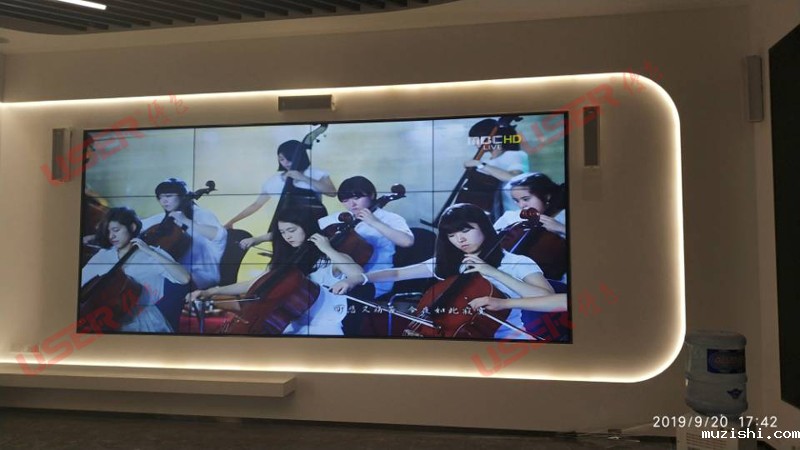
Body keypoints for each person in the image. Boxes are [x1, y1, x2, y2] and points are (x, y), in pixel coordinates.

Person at [353, 203, 564, 340]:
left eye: (465, 230)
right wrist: (359, 278)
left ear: (483, 227)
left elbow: (548, 298)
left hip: (508, 342)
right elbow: (397, 274)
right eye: (452, 235)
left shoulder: (517, 262)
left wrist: (494, 272)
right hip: (458, 339)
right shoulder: (452, 262)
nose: (460, 239)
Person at [187, 208, 362, 336]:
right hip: (290, 325)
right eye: (283, 232)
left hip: (325, 327)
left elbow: (357, 275)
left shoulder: (330, 257)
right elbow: (254, 284)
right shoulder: (286, 258)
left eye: (292, 230)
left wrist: (327, 248)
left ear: (307, 227)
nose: (287, 236)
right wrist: (211, 291)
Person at [81, 207, 190, 333]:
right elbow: (82, 283)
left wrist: (151, 251)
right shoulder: (104, 254)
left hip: (143, 319)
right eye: (108, 232)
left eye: (116, 230)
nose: (111, 236)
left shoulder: (152, 254)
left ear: (132, 227)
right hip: (105, 319)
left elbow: (184, 278)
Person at [227, 138, 337, 247]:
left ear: (300, 156)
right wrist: (232, 221)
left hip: (312, 226)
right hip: (285, 231)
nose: (286, 163)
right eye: (282, 159)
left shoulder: (316, 173)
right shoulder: (273, 181)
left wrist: (303, 178)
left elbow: (332, 192)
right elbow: (256, 205)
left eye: (289, 159)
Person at [318, 176, 414, 298]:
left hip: (374, 281)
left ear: (372, 195)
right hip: (339, 277)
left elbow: (407, 241)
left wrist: (374, 222)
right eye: (345, 200)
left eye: (357, 198)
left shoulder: (390, 218)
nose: (352, 204)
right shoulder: (343, 217)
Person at [140, 178, 227, 290]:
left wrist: (185, 220)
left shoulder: (202, 214)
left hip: (201, 275)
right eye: (160, 197)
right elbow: (140, 225)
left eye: (168, 196)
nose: (164, 201)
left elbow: (219, 235)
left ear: (182, 196)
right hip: (174, 274)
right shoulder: (165, 217)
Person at [462, 118, 529, 214]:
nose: (475, 143)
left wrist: (479, 165)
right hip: (496, 213)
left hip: (513, 212)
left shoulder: (515, 155)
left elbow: (515, 178)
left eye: (477, 138)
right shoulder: (488, 162)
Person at [493, 172, 567, 237]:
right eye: (516, 201)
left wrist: (561, 228)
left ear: (546, 196)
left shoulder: (564, 216)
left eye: (526, 199)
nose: (521, 205)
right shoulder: (510, 217)